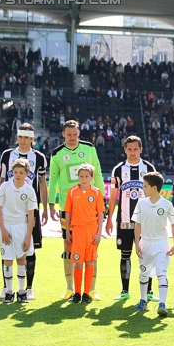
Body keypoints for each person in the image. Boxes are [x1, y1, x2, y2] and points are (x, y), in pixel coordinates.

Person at [48, 120, 105, 300]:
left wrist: (102, 199)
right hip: (68, 209)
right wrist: (51, 204)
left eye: (75, 134)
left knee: (92, 247)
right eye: (68, 134)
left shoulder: (89, 148)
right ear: (63, 134)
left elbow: (99, 174)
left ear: (79, 133)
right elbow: (53, 179)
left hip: (89, 208)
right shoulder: (56, 153)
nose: (72, 138)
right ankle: (70, 288)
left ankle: (91, 289)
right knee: (68, 245)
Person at [0, 123, 47, 300]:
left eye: (26, 137)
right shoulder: (7, 154)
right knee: (6, 247)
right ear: (17, 138)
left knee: (29, 248)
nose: (23, 141)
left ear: (32, 139)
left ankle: (28, 288)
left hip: (29, 210)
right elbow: (1, 179)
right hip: (9, 210)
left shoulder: (39, 157)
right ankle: (6, 287)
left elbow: (42, 183)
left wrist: (45, 208)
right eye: (20, 137)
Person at [106, 136, 159, 302]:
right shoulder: (119, 170)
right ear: (125, 150)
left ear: (141, 149)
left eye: (135, 149)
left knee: (147, 255)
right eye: (129, 149)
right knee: (125, 254)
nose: (132, 152)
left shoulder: (149, 168)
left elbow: (155, 196)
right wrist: (109, 218)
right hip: (125, 220)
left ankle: (149, 291)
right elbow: (114, 196)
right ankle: (124, 291)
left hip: (146, 222)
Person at [132, 172, 174, 316]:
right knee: (144, 273)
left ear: (154, 187)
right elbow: (137, 225)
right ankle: (143, 300)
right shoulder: (141, 203)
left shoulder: (167, 204)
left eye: (145, 186)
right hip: (146, 244)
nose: (143, 189)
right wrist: (137, 244)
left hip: (161, 245)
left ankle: (163, 304)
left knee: (161, 273)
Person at [0, 158, 37, 304]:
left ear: (27, 174)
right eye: (15, 172)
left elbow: (31, 216)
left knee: (21, 260)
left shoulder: (29, 190)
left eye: (21, 172)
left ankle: (21, 292)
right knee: (7, 261)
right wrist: (3, 229)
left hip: (22, 227)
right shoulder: (5, 186)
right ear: (12, 172)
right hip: (6, 227)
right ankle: (9, 293)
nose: (17, 175)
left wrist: (28, 237)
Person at [64, 164, 105, 303]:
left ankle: (86, 294)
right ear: (78, 177)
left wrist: (99, 233)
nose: (84, 179)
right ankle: (77, 293)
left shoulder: (97, 193)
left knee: (89, 262)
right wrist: (68, 231)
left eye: (87, 176)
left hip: (92, 231)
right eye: (81, 176)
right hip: (77, 230)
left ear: (92, 177)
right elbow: (68, 212)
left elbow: (100, 214)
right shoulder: (72, 192)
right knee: (77, 262)